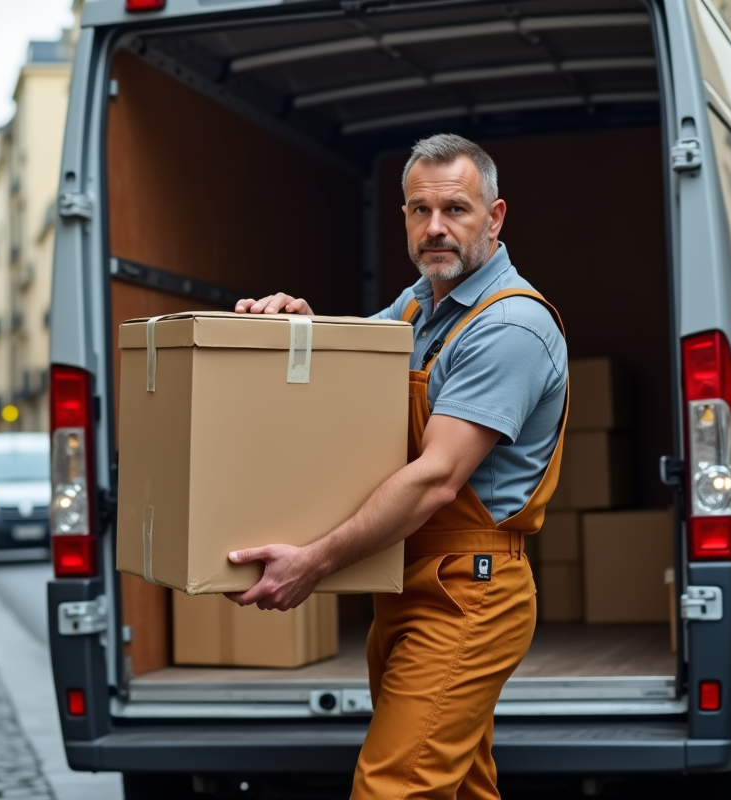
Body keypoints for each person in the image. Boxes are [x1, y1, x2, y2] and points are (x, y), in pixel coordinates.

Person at [228, 134, 568, 799]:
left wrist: (314, 560)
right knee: (460, 786)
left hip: (467, 595)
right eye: (418, 210)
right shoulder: (418, 306)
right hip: (408, 584)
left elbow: (435, 479)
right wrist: (301, 324)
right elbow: (350, 366)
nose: (434, 228)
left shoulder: (510, 328)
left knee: (394, 789)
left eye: (455, 210)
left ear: (494, 218)